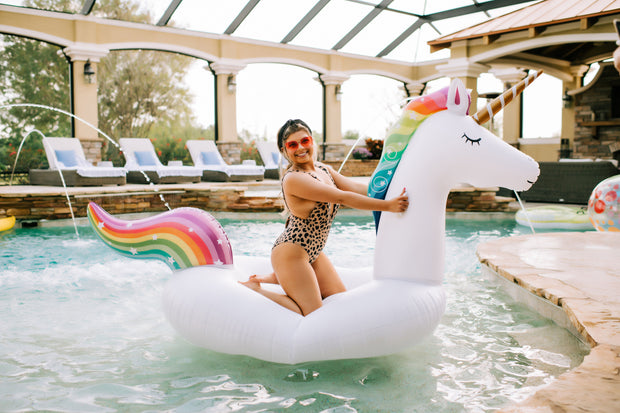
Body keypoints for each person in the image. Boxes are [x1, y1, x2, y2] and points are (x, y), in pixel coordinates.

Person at [240, 119, 409, 316]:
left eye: (305, 141)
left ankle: (279, 277)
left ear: (312, 141)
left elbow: (355, 188)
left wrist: (390, 190)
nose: (301, 148)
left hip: (314, 252)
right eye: (292, 145)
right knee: (312, 313)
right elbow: (341, 196)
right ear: (284, 151)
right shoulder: (294, 179)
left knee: (341, 301)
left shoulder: (323, 169)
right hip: (291, 254)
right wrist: (388, 206)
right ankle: (258, 290)